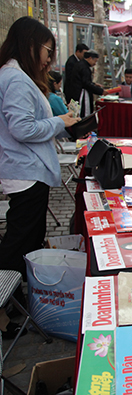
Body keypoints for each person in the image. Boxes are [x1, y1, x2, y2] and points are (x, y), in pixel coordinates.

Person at [0, 17, 80, 283]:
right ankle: (6, 306)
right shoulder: (16, 79)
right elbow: (22, 129)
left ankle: (20, 294)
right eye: (48, 51)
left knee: (28, 236)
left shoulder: (15, 76)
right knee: (20, 240)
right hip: (25, 173)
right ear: (29, 45)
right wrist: (61, 121)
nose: (49, 60)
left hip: (26, 170)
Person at [71, 50, 107, 117]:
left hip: (75, 92)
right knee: (84, 113)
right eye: (95, 61)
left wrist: (94, 84)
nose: (95, 63)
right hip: (82, 93)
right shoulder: (85, 68)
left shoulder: (79, 64)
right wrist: (100, 91)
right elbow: (86, 84)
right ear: (90, 58)